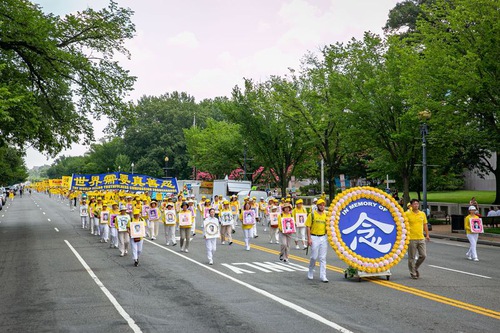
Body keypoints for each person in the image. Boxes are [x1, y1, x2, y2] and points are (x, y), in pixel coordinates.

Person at [406, 199, 430, 279]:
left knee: (423, 255)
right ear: (411, 205)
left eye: (417, 204)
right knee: (411, 257)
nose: (416, 205)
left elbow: (425, 224)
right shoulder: (407, 214)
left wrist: (427, 235)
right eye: (414, 204)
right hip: (411, 238)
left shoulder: (422, 214)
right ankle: (413, 272)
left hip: (421, 237)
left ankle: (415, 267)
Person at [306, 199, 328, 282]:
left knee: (323, 258)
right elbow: (308, 226)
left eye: (323, 205)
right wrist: (309, 238)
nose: (322, 207)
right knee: (314, 257)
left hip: (323, 237)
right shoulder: (312, 214)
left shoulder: (326, 215)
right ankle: (311, 270)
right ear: (317, 206)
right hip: (314, 237)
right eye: (320, 205)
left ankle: (323, 275)